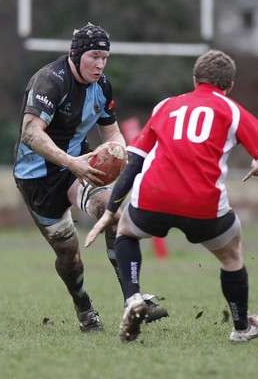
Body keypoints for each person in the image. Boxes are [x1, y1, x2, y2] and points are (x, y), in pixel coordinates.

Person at [84, 49, 258, 343]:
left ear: (194, 79)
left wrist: (112, 210)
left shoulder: (166, 106)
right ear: (228, 86)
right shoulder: (232, 110)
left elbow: (135, 160)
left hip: (154, 197)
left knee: (126, 231)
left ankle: (133, 298)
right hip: (203, 204)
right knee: (232, 257)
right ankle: (241, 327)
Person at [13, 23, 168, 333]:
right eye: (94, 56)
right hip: (37, 179)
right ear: (77, 54)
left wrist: (120, 155)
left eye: (105, 57)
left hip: (80, 167)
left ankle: (132, 300)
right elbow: (30, 133)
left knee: (113, 213)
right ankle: (83, 307)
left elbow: (111, 132)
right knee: (69, 256)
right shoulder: (49, 81)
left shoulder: (103, 85)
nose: (100, 64)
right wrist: (72, 162)